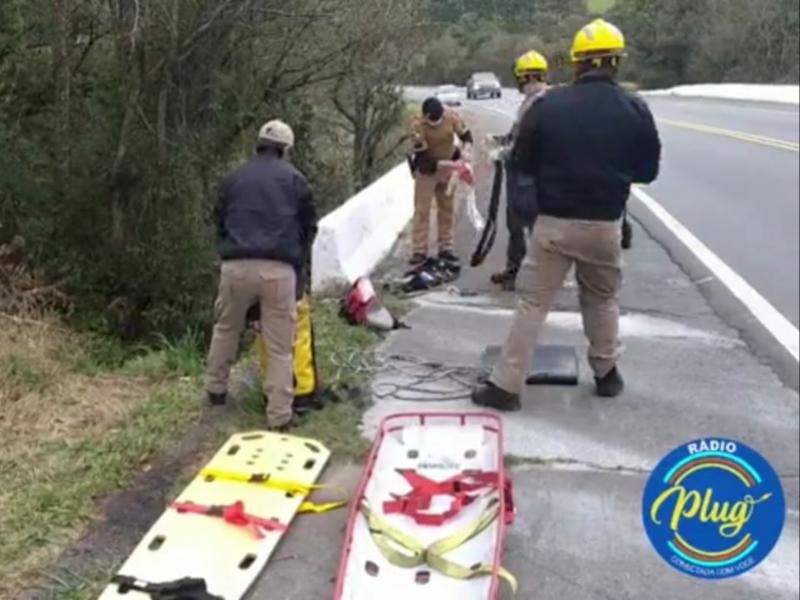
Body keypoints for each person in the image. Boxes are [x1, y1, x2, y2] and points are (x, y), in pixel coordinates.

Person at [472, 18, 661, 410]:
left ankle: (506, 386)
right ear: (615, 62)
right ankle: (607, 374)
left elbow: (521, 159)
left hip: (553, 224)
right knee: (602, 300)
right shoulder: (634, 109)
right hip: (604, 224)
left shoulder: (549, 105)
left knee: (533, 304)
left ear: (577, 63)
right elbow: (647, 172)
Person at [205, 119, 317, 431]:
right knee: (280, 347)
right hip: (278, 271)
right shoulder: (296, 181)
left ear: (259, 145)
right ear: (285, 150)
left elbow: (218, 219)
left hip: (235, 266)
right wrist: (299, 275)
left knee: (225, 329)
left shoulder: (233, 178)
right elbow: (309, 230)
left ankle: (215, 390)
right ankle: (279, 417)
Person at [491, 50, 550, 291]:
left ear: (523, 77)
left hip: (526, 176)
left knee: (524, 226)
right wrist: (498, 140)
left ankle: (527, 276)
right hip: (533, 175)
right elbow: (515, 135)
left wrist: (502, 154)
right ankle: (519, 272)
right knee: (521, 226)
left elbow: (524, 143)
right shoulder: (538, 101)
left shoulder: (537, 104)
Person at [408, 97, 474, 267]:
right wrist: (446, 164)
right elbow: (423, 158)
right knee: (422, 210)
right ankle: (419, 250)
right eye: (432, 122)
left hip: (449, 167)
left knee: (447, 208)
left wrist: (466, 150)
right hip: (427, 171)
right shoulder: (417, 125)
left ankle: (446, 247)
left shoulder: (452, 117)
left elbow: (466, 135)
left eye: (438, 121)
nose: (435, 124)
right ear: (425, 117)